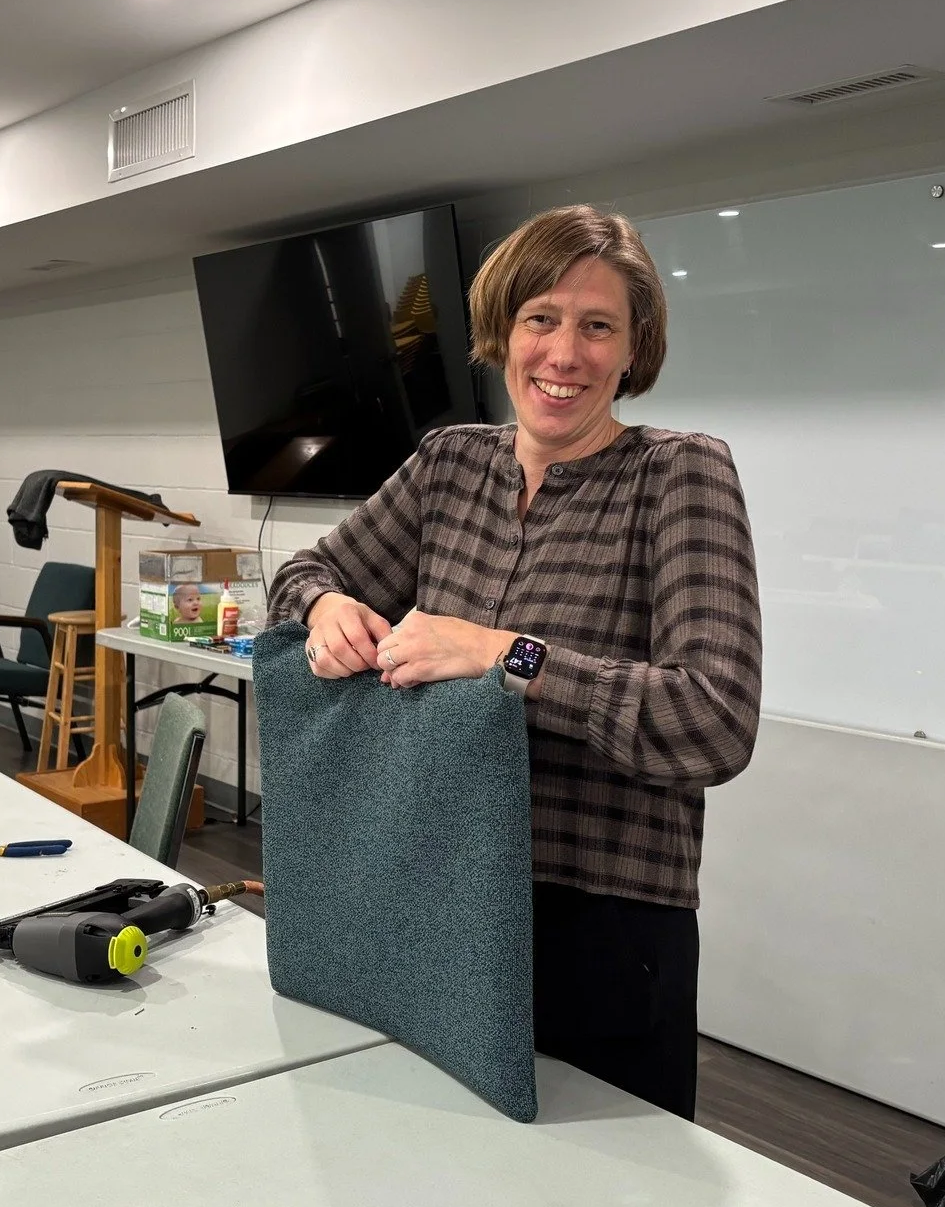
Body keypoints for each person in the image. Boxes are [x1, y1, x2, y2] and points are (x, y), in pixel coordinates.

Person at [267, 204, 762, 1119]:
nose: (563, 354)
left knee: (602, 1190)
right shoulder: (450, 464)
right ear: (501, 330)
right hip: (440, 890)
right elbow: (304, 570)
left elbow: (715, 721)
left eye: (597, 326)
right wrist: (326, 607)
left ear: (633, 348)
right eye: (540, 318)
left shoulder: (680, 476)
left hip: (601, 923)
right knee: (437, 1155)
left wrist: (507, 656)